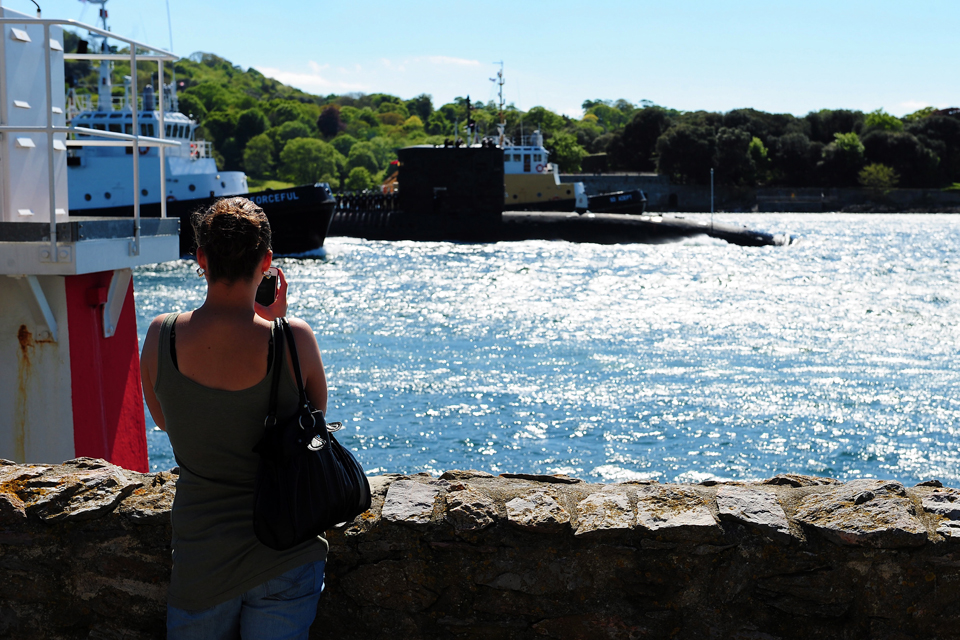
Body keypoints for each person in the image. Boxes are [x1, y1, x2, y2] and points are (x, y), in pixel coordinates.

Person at [140, 197, 329, 640]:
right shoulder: (295, 339)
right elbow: (314, 424)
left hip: (202, 556)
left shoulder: (160, 334)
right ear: (267, 262)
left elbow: (166, 421)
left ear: (201, 258)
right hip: (286, 551)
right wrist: (274, 326)